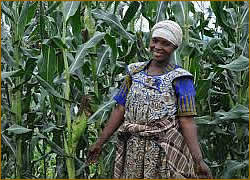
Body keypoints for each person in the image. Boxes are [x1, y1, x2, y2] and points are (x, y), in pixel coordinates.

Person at [87, 20, 212, 179]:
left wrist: (198, 160)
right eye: (155, 41)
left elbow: (186, 120)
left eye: (165, 43)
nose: (158, 47)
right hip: (133, 148)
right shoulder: (134, 72)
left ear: (174, 47)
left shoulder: (181, 78)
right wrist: (99, 143)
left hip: (164, 150)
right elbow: (120, 109)